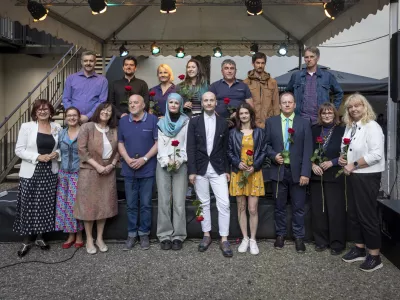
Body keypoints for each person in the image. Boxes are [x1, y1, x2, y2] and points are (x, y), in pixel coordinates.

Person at [339, 93, 385, 272]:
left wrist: (353, 164)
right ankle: (359, 248)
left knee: (367, 215)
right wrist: (344, 159)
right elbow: (346, 148)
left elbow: (376, 155)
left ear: (365, 107)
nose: (353, 109)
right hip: (353, 175)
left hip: (367, 176)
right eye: (350, 107)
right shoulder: (351, 127)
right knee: (354, 214)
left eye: (357, 106)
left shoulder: (371, 126)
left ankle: (374, 255)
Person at [265, 92, 312, 253]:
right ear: (279, 105)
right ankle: (280, 235)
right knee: (279, 206)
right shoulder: (271, 122)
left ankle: (299, 237)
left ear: (294, 105)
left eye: (289, 102)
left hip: (298, 172)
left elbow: (308, 150)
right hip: (278, 171)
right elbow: (266, 145)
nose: (286, 105)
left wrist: (305, 172)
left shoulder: (304, 123)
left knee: (299, 206)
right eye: (284, 102)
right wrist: (273, 155)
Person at [187, 91, 232, 257]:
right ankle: (206, 235)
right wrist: (191, 171)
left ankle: (224, 238)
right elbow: (190, 148)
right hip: (199, 168)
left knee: (224, 203)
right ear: (202, 103)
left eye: (211, 100)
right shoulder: (194, 122)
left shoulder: (223, 122)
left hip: (218, 168)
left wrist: (227, 170)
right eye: (205, 100)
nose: (208, 103)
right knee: (203, 203)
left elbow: (226, 148)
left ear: (216, 102)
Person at [14, 99, 61, 257]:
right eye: (39, 109)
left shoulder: (57, 127)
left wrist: (57, 154)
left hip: (50, 172)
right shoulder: (27, 127)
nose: (42, 111)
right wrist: (37, 156)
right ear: (35, 112)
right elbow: (19, 150)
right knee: (29, 205)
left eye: (46, 109)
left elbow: (61, 147)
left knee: (45, 205)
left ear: (50, 111)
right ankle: (27, 241)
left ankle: (41, 237)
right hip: (32, 171)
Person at [74, 103, 119, 255]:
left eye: (109, 110)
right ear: (98, 111)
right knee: (89, 206)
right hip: (89, 171)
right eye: (104, 109)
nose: (106, 112)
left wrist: (112, 165)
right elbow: (82, 150)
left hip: (108, 171)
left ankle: (99, 238)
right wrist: (98, 167)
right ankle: (89, 239)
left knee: (104, 205)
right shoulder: (87, 127)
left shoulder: (114, 130)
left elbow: (119, 149)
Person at [118, 95, 158, 251]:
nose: (132, 105)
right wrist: (127, 159)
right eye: (130, 103)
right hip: (129, 169)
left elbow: (157, 143)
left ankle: (144, 234)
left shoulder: (153, 120)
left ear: (143, 105)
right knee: (131, 205)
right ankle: (131, 234)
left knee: (146, 204)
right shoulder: (123, 121)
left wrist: (145, 159)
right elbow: (120, 143)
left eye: (136, 102)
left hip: (147, 169)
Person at [227, 103, 267, 255]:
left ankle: (253, 239)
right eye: (241, 113)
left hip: (254, 173)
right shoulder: (233, 133)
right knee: (241, 207)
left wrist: (255, 166)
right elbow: (229, 152)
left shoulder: (259, 132)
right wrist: (238, 163)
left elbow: (263, 151)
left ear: (251, 114)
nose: (243, 115)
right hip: (239, 172)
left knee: (252, 208)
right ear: (238, 116)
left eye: (246, 113)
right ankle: (244, 238)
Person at [310, 103, 346, 255]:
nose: (326, 115)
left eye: (329, 113)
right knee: (319, 211)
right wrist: (312, 165)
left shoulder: (342, 130)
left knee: (335, 210)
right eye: (324, 113)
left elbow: (348, 152)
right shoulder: (314, 130)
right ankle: (320, 241)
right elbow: (306, 150)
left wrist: (333, 162)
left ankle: (337, 243)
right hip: (316, 176)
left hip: (334, 176)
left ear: (334, 114)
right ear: (320, 115)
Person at [156, 93, 190, 250]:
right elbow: (160, 145)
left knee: (178, 201)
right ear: (167, 104)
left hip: (180, 164)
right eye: (171, 102)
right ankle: (164, 235)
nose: (174, 105)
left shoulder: (186, 122)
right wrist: (166, 160)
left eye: (177, 102)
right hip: (163, 164)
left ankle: (178, 235)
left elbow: (186, 145)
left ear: (181, 104)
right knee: (164, 201)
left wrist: (179, 159)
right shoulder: (161, 123)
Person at [286, 46, 343, 125]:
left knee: (319, 138)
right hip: (300, 118)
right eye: (306, 57)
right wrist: (290, 108)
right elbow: (287, 94)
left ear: (317, 58)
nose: (309, 59)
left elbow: (339, 93)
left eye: (312, 56)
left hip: (320, 119)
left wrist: (332, 110)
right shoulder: (296, 76)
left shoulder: (327, 76)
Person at [55, 107, 84, 249]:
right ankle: (70, 234)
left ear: (79, 117)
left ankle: (78, 234)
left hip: (78, 173)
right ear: (66, 118)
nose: (72, 118)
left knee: (75, 204)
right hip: (63, 173)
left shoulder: (84, 132)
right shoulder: (62, 133)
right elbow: (57, 150)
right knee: (64, 204)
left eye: (74, 115)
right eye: (69, 115)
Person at [62, 51, 108, 123]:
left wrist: (88, 116)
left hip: (93, 120)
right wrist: (74, 115)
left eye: (91, 61)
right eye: (85, 61)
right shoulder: (71, 78)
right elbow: (66, 99)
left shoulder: (103, 81)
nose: (88, 63)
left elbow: (102, 101)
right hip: (73, 121)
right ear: (81, 62)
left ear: (95, 62)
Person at [243, 52, 280, 128]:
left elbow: (276, 104)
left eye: (262, 63)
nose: (260, 65)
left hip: (268, 122)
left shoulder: (272, 82)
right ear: (253, 64)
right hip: (251, 122)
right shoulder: (246, 82)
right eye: (258, 63)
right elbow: (243, 104)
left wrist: (277, 122)